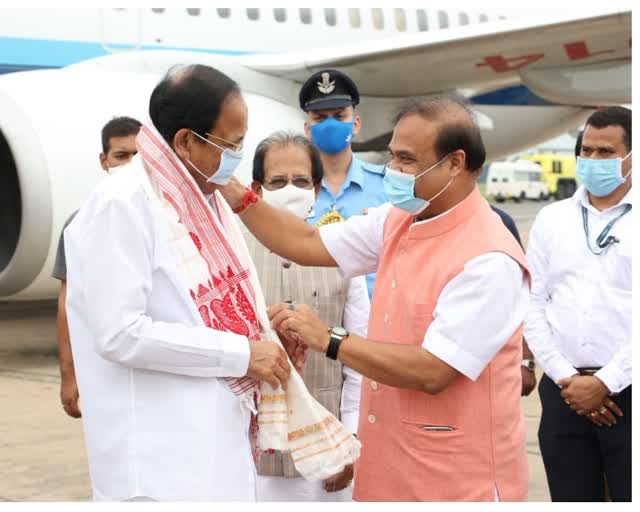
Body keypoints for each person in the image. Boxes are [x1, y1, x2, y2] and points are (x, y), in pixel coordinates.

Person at [222, 95, 530, 501]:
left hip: (456, 480)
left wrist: (328, 339)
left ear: (455, 163)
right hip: (390, 466)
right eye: (393, 157)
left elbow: (433, 370)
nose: (393, 171)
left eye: (407, 160)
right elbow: (308, 241)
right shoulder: (400, 218)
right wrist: (235, 194)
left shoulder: (490, 259)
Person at [62, 64, 299, 502]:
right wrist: (241, 352)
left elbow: (193, 307)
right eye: (230, 144)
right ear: (186, 141)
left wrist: (258, 330)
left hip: (210, 451)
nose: (236, 156)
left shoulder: (201, 195)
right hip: (158, 465)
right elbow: (119, 333)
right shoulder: (123, 203)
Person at [246, 132, 368, 502]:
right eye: (277, 182)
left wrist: (351, 439)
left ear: (316, 188)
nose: (290, 190)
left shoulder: (342, 253)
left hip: (324, 448)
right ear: (256, 187)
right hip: (248, 453)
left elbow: (358, 362)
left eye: (301, 181)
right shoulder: (231, 252)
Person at [524, 106, 632, 502]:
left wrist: (606, 382)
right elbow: (532, 306)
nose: (592, 160)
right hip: (562, 394)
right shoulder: (552, 219)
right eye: (586, 150)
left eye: (605, 152)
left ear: (630, 158)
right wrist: (567, 379)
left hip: (628, 393)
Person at [51, 116, 141, 419]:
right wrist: (69, 374)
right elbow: (68, 302)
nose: (130, 163)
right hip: (107, 367)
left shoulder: (171, 217)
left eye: (138, 155)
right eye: (121, 156)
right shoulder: (80, 224)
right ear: (104, 161)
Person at [300, 69, 388, 297]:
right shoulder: (293, 191)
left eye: (339, 116)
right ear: (307, 128)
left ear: (356, 124)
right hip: (312, 317)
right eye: (319, 117)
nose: (330, 124)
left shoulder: (387, 186)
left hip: (374, 323)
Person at [489, 204, 538, 396]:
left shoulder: (499, 221)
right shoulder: (395, 220)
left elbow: (521, 295)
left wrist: (526, 361)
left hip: (490, 363)